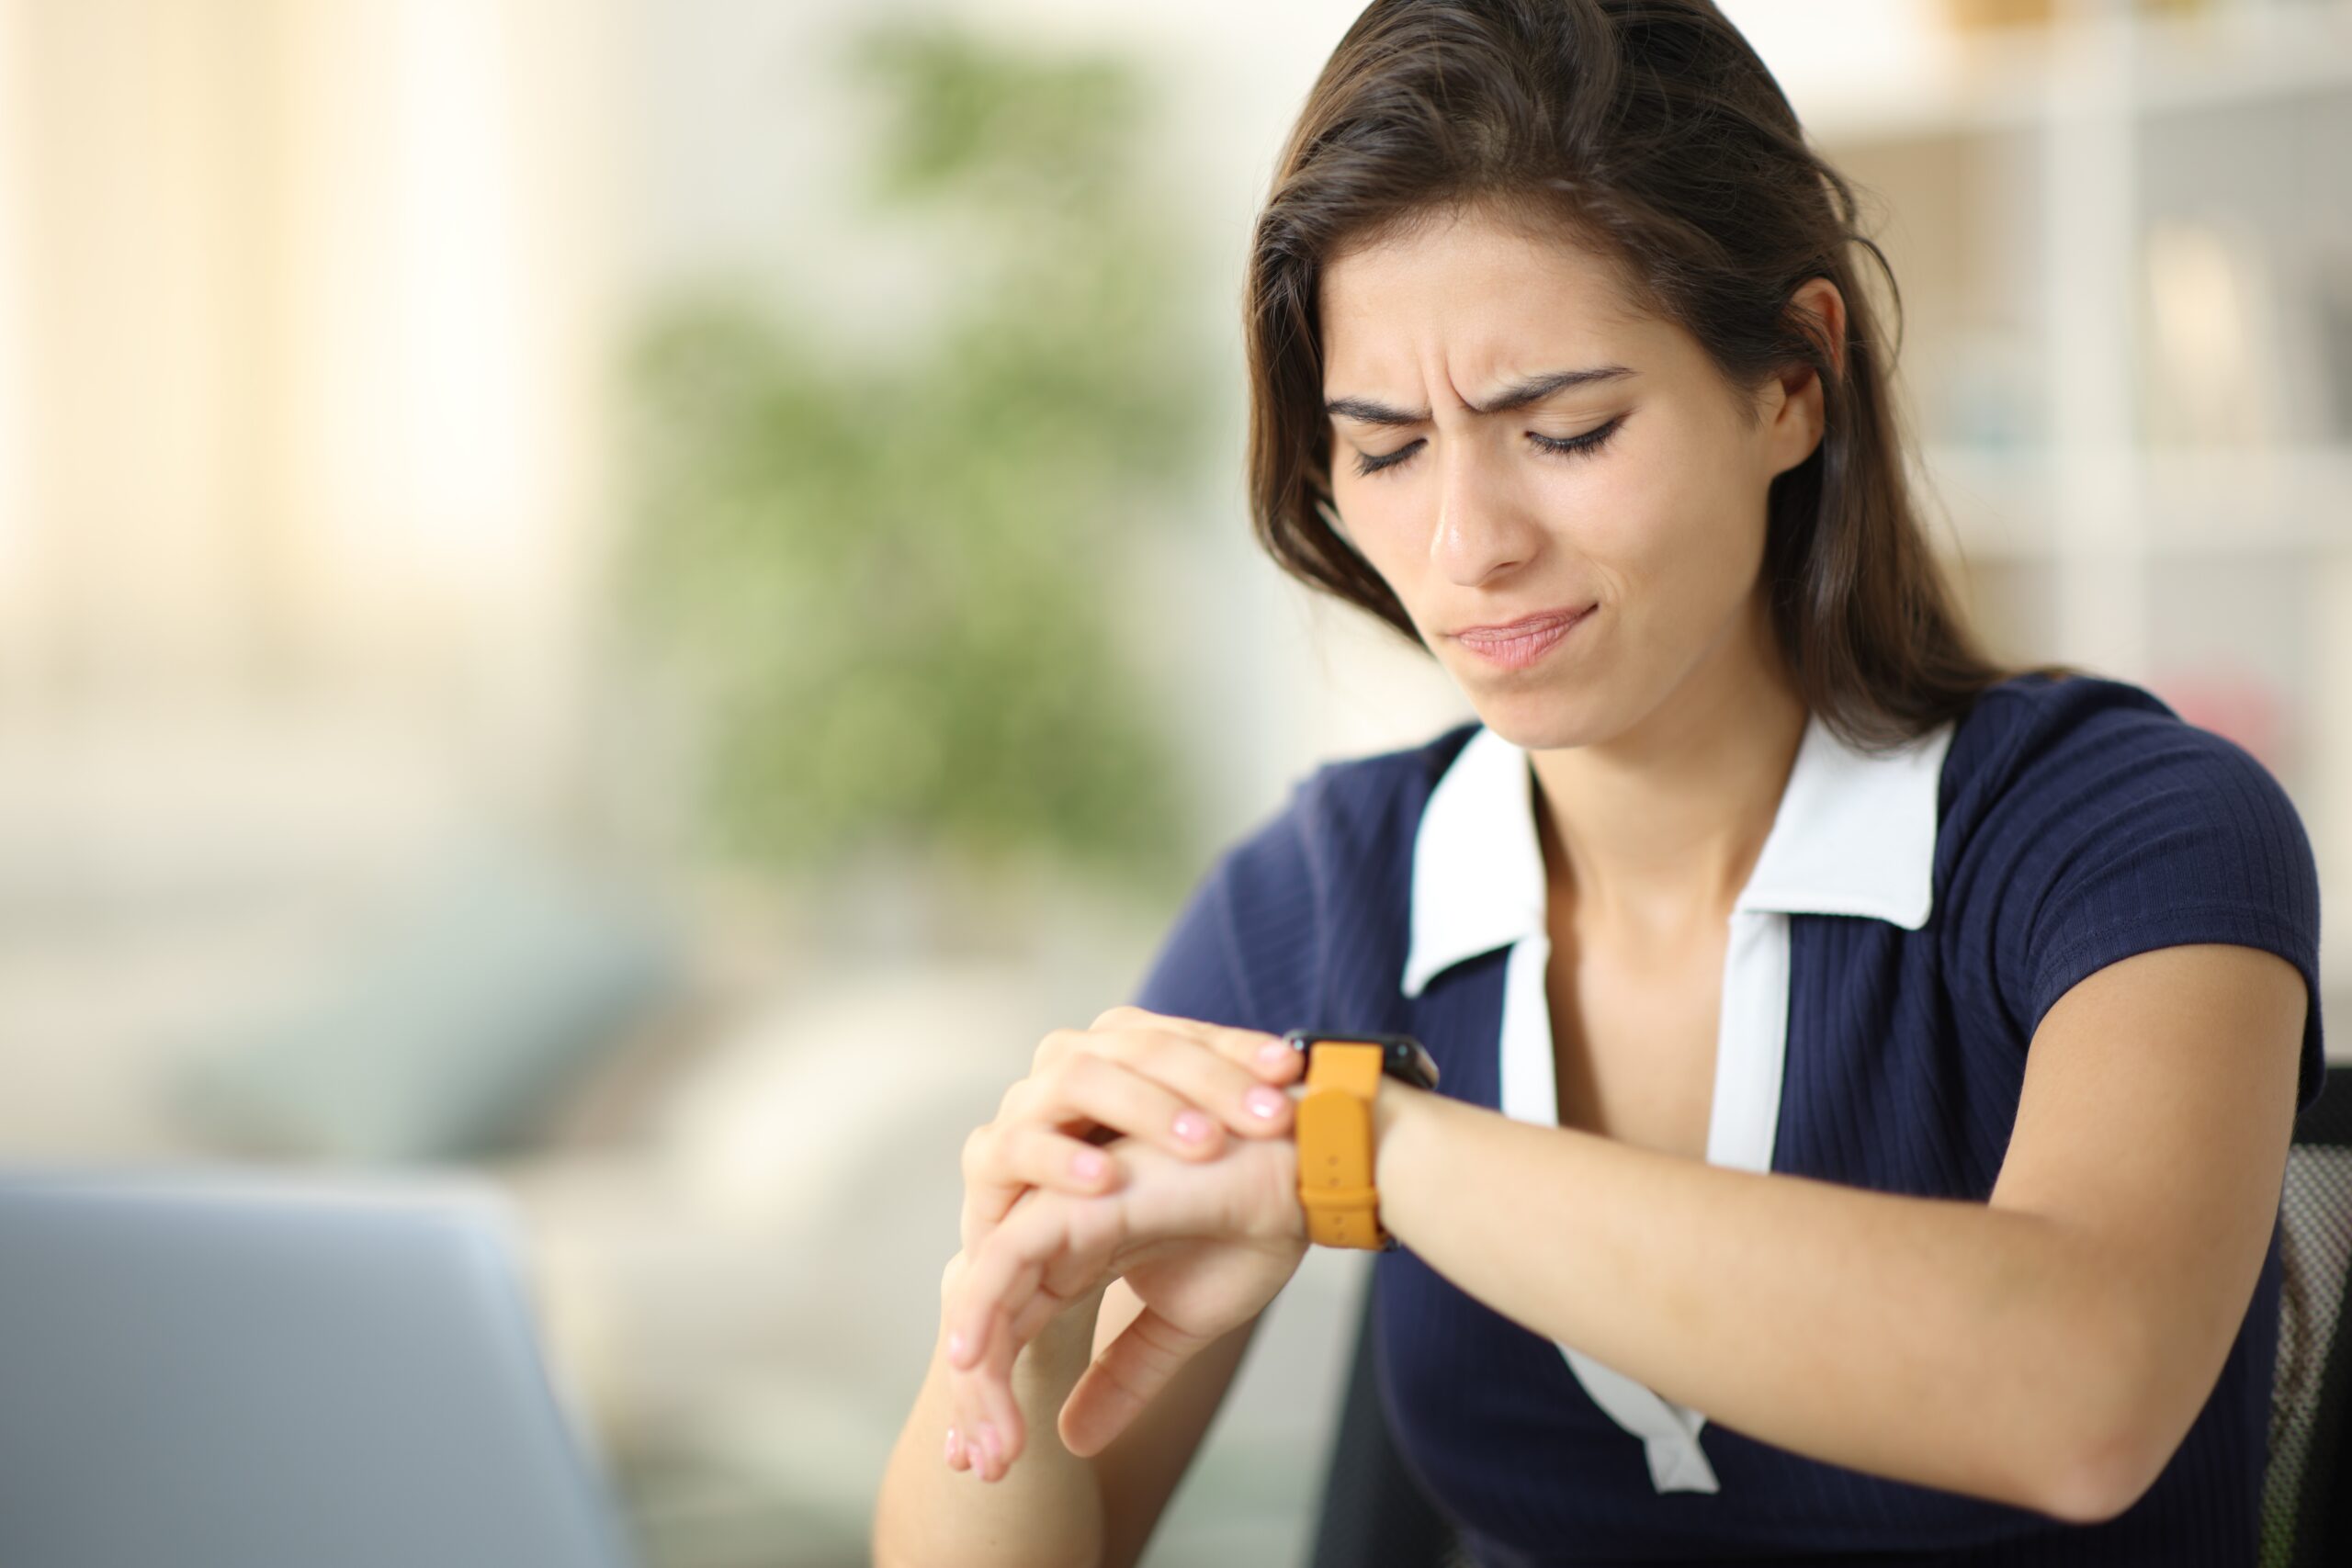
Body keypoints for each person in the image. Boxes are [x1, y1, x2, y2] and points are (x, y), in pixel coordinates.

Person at [870, 2, 2328, 1564]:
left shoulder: (2129, 833)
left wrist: (1368, 1154)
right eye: (1385, 448)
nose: (1467, 544)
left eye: (1564, 430)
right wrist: (1018, 1333)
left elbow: (2082, 1393)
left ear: (1792, 381)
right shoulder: (1329, 892)